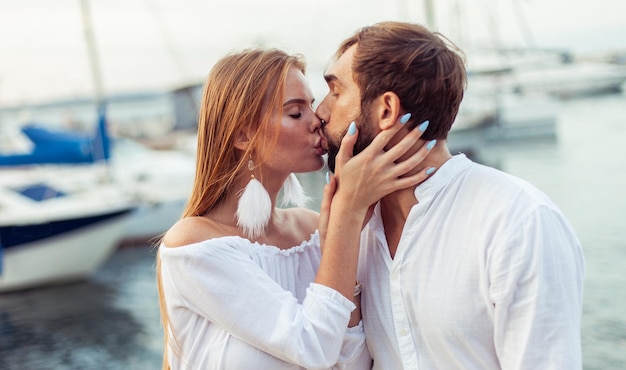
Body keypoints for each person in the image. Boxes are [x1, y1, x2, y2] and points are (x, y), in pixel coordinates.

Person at [316, 21, 585, 369]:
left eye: (336, 92)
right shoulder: (357, 228)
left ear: (386, 110)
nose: (321, 112)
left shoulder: (518, 221)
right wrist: (341, 240)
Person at [155, 48, 434, 369]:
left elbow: (354, 363)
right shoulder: (194, 245)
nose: (318, 120)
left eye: (311, 107)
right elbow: (311, 347)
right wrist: (347, 213)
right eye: (295, 113)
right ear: (244, 134)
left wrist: (339, 237)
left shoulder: (312, 230)